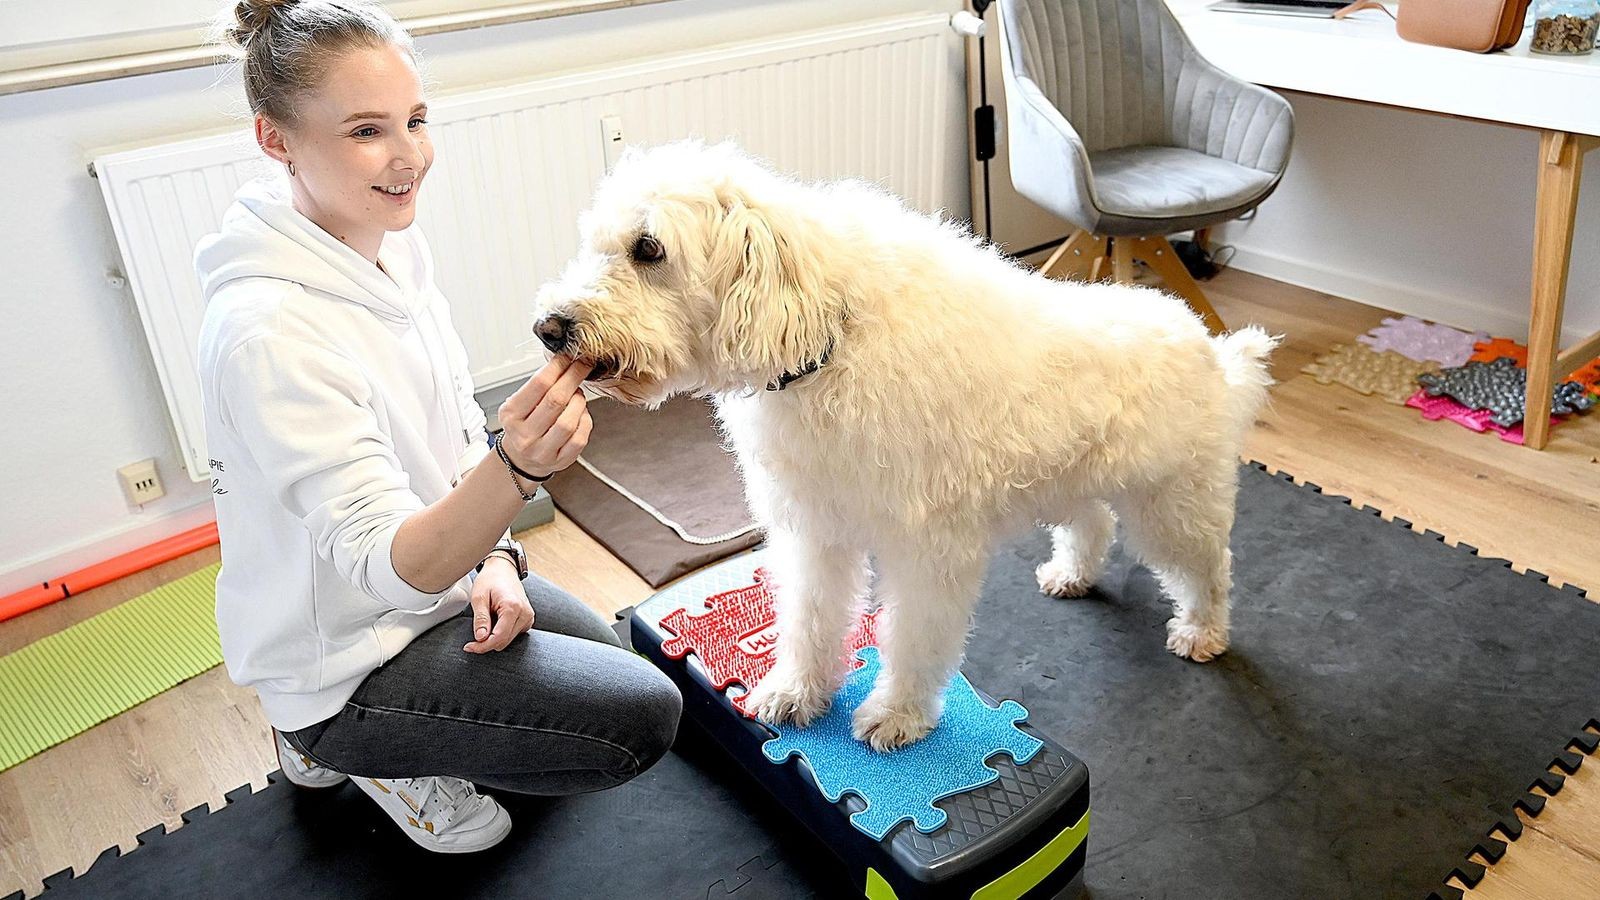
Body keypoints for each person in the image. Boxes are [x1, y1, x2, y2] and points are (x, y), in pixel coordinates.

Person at [193, 0, 682, 853]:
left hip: (435, 584)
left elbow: (454, 429)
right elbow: (394, 567)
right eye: (366, 131)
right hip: (344, 656)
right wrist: (517, 472)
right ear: (276, 140)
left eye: (415, 120)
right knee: (637, 722)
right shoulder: (268, 334)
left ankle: (383, 729)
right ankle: (332, 738)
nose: (408, 156)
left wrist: (495, 558)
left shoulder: (388, 247)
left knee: (618, 662)